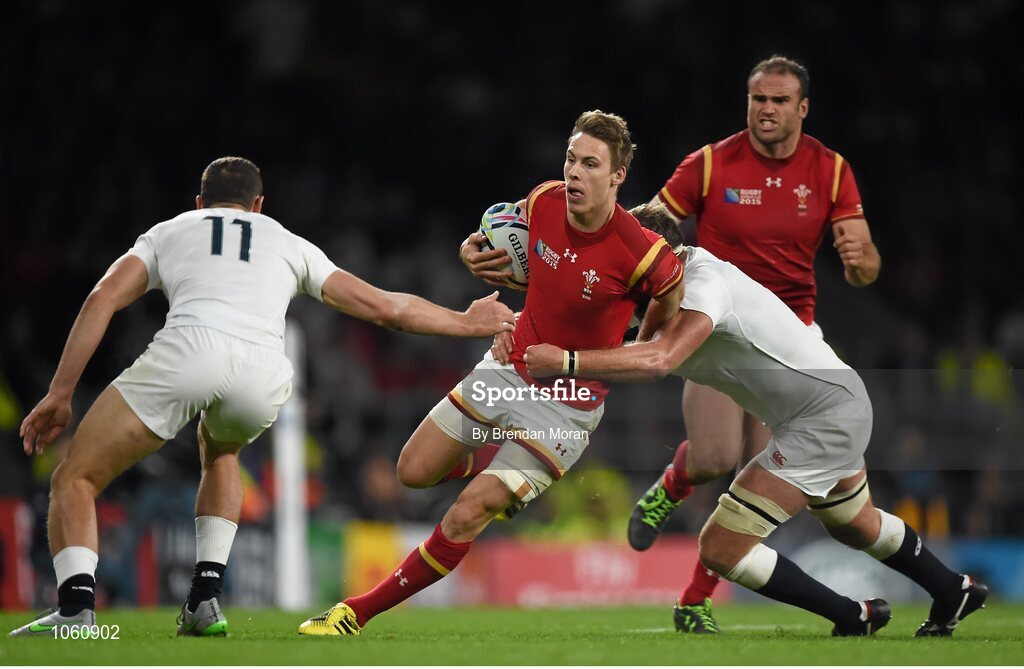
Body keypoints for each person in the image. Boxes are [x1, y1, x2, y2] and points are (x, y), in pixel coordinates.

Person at [9, 157, 515, 638]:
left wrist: (61, 393)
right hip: (264, 370)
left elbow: (103, 298)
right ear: (258, 205)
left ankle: (75, 609)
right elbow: (385, 308)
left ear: (200, 203)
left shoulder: (169, 231)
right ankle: (204, 601)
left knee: (75, 475)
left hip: (190, 349)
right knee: (222, 449)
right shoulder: (288, 242)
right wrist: (465, 322)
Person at [296, 111, 684, 636]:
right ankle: (495, 463)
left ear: (617, 176)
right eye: (570, 159)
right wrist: (470, 252)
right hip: (507, 367)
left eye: (590, 164)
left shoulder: (646, 256)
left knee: (465, 513)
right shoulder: (544, 200)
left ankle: (354, 613)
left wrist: (583, 359)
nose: (573, 172)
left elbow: (655, 344)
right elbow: (501, 237)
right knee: (412, 472)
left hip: (566, 404)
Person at [522, 202, 987, 637]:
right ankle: (952, 590)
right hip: (829, 405)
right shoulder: (669, 291)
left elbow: (658, 358)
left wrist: (565, 360)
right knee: (853, 521)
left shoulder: (704, 287)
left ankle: (851, 615)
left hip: (821, 419)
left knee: (721, 546)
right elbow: (627, 335)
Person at [626, 54, 883, 633]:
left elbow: (865, 266)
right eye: (757, 99)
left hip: (787, 342)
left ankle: (693, 601)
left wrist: (861, 262)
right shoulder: (711, 164)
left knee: (752, 477)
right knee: (713, 457)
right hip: (713, 328)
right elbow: (648, 233)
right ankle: (670, 486)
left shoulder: (833, 171)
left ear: (802, 107)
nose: (766, 109)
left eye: (779, 100)